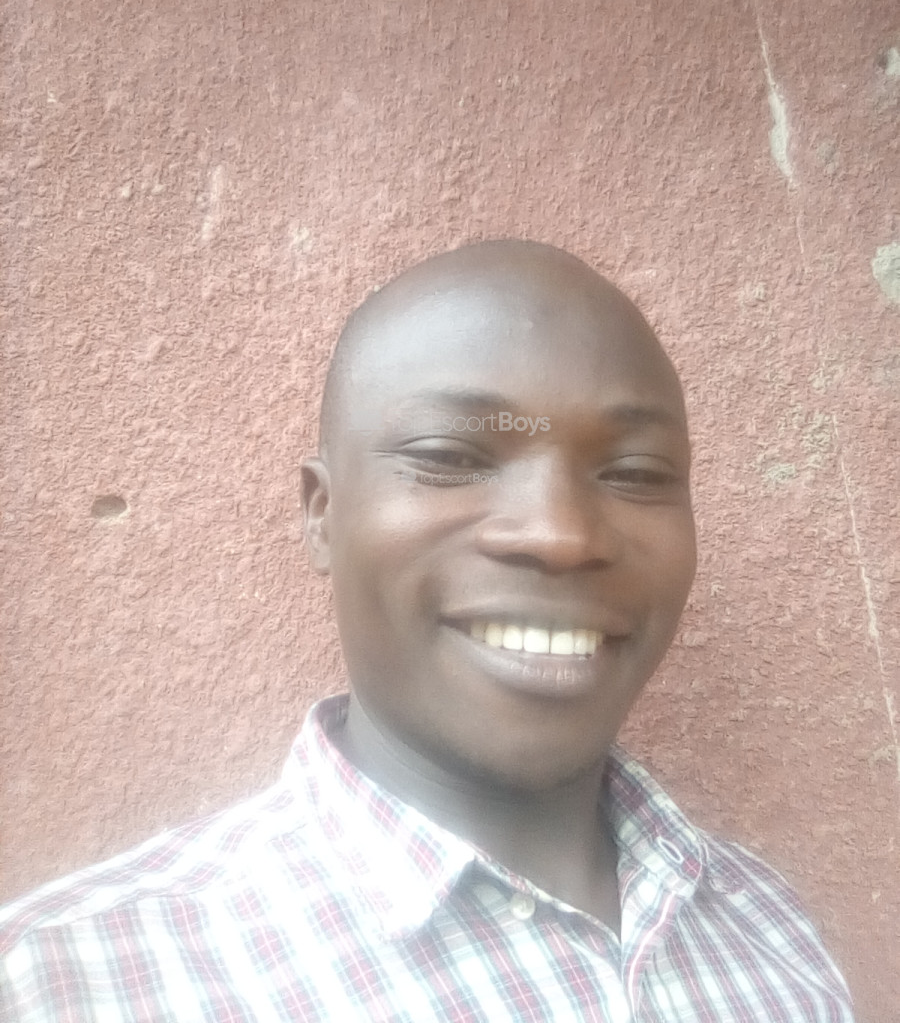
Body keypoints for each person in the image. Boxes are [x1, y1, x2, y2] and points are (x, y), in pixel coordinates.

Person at [0, 240, 854, 1021]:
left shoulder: (769, 929)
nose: (560, 534)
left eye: (635, 472)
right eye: (450, 457)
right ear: (322, 514)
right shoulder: (70, 982)